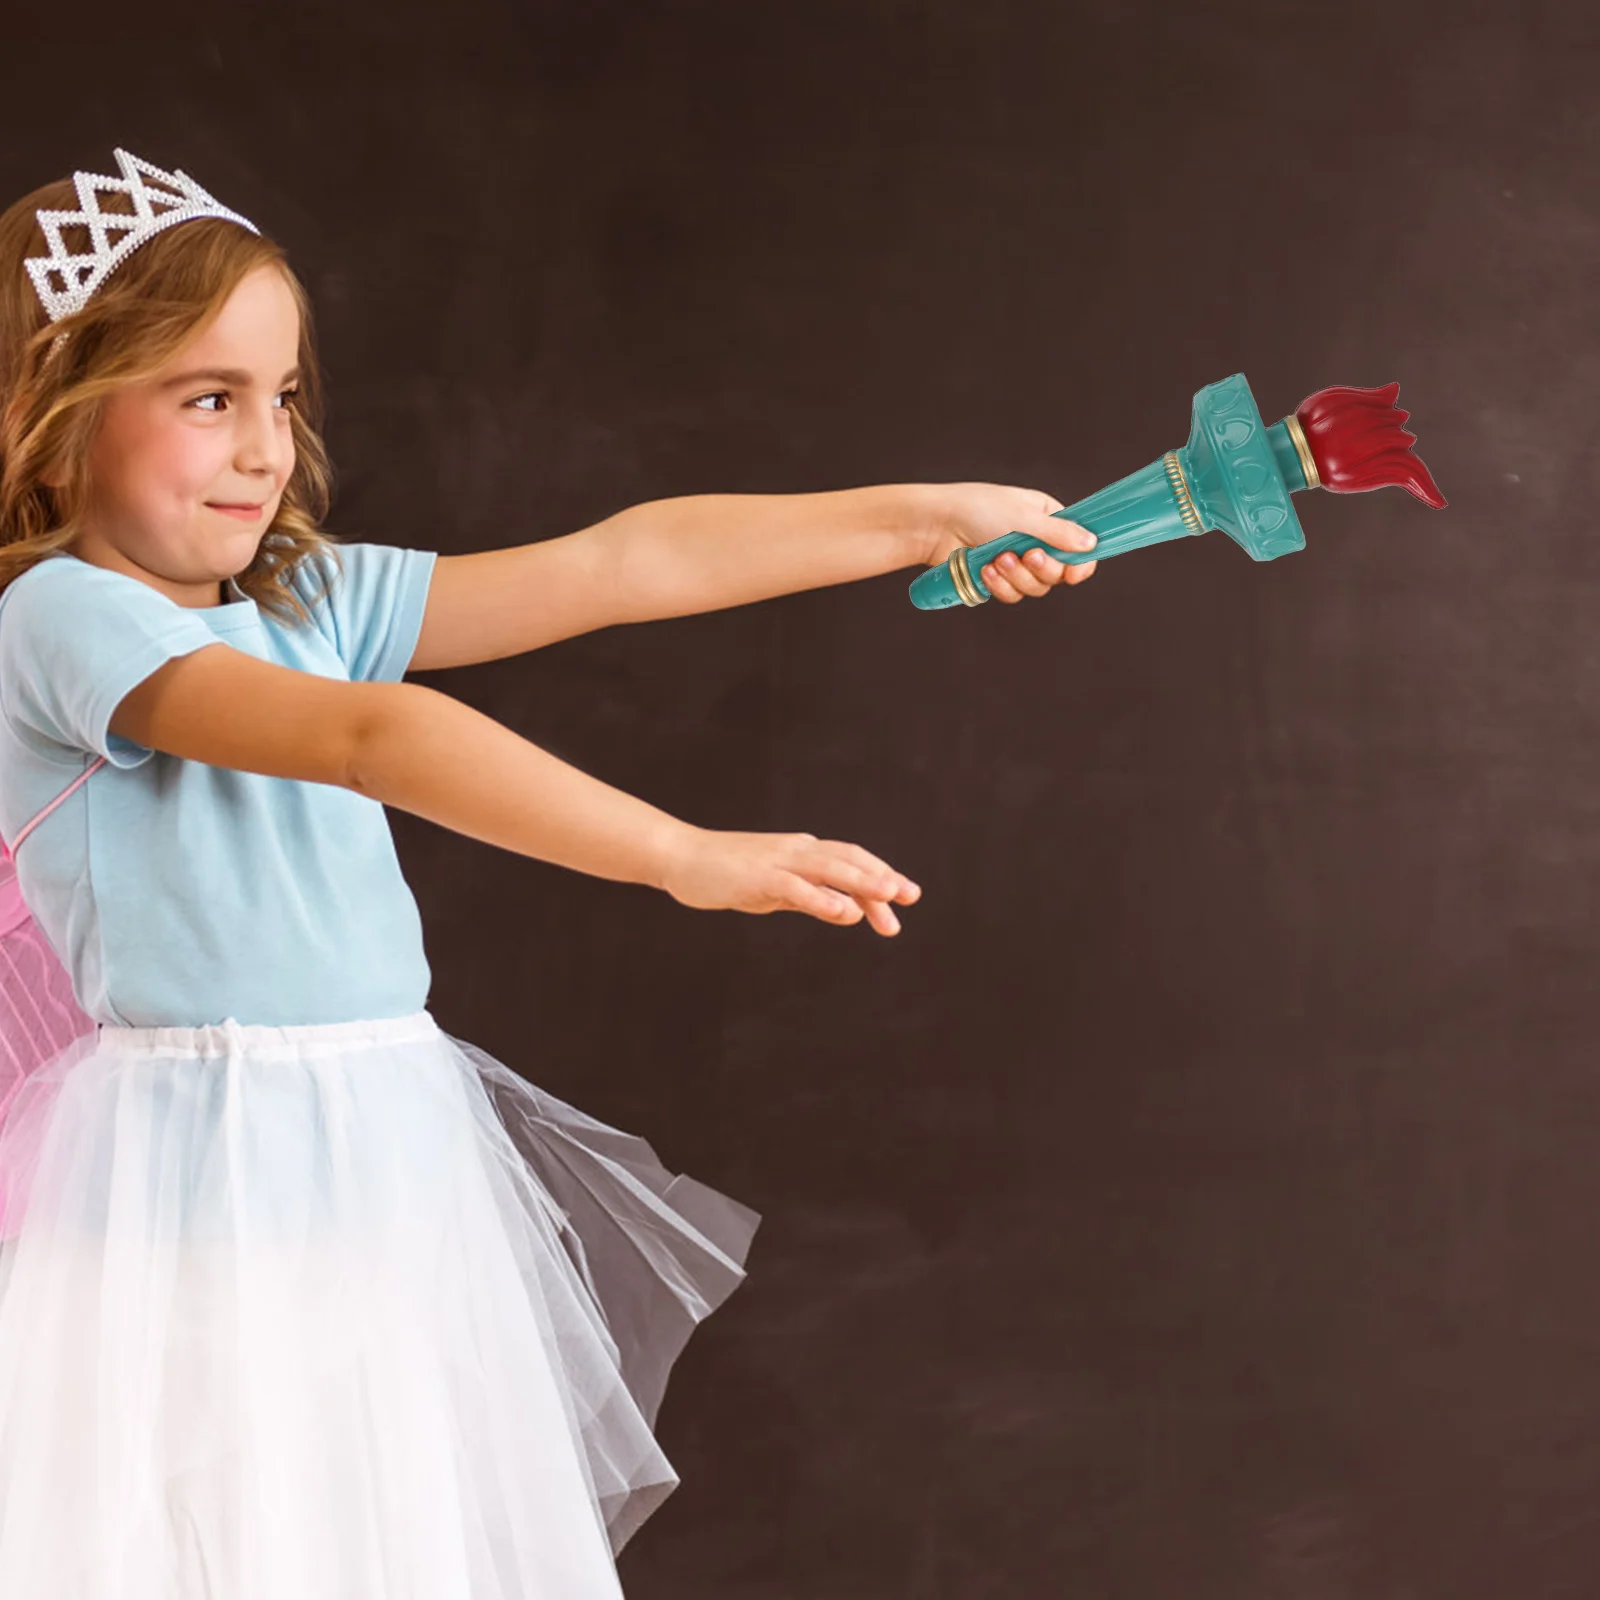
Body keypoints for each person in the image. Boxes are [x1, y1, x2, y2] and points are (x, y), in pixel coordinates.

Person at [0, 147, 1098, 1598]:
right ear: (55, 416)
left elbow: (623, 563)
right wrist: (681, 855)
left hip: (386, 1134)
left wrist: (930, 514)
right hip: (201, 1157)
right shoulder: (62, 618)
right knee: (228, 1533)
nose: (267, 447)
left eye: (281, 397)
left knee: (388, 1529)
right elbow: (366, 735)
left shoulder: (304, 597)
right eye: (209, 399)